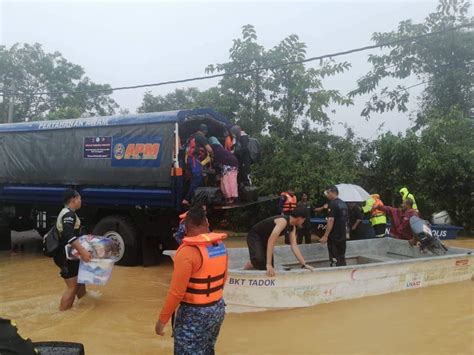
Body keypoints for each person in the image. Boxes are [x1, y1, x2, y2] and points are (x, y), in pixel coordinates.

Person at [156, 206, 228, 354]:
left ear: (186, 227)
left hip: (194, 314)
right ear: (206, 223)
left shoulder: (187, 252)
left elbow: (176, 293)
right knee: (207, 350)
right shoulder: (220, 245)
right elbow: (224, 278)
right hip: (217, 309)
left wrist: (162, 321)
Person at [243, 205, 315, 276]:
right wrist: (268, 264)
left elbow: (294, 246)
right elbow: (271, 241)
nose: (303, 222)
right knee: (260, 261)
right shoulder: (282, 221)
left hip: (265, 239)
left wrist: (304, 264)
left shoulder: (292, 227)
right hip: (255, 236)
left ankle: (255, 262)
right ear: (300, 218)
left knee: (269, 269)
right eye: (304, 220)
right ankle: (246, 269)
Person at [53, 189, 92, 311]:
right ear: (74, 199)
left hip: (70, 255)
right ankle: (62, 315)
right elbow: (68, 235)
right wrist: (83, 252)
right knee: (72, 287)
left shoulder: (68, 213)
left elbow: (73, 234)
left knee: (80, 282)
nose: (81, 201)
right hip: (65, 257)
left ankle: (84, 307)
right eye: (80, 199)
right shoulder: (68, 215)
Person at [182, 124, 213, 206]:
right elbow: (209, 149)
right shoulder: (201, 136)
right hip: (193, 159)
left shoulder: (192, 136)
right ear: (205, 131)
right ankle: (187, 199)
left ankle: (196, 199)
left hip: (188, 160)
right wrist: (213, 155)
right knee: (198, 177)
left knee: (198, 179)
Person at [319, 186, 348, 267]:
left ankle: (335, 273)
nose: (327, 195)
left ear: (333, 192)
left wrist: (325, 236)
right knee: (341, 257)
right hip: (342, 235)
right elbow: (346, 220)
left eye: (328, 192)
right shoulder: (344, 204)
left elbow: (330, 220)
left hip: (334, 236)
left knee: (334, 258)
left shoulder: (332, 204)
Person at [208, 136, 239, 204]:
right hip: (232, 162)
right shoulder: (220, 147)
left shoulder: (214, 149)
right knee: (226, 181)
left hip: (229, 164)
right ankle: (229, 197)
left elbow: (214, 160)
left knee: (227, 181)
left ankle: (231, 198)